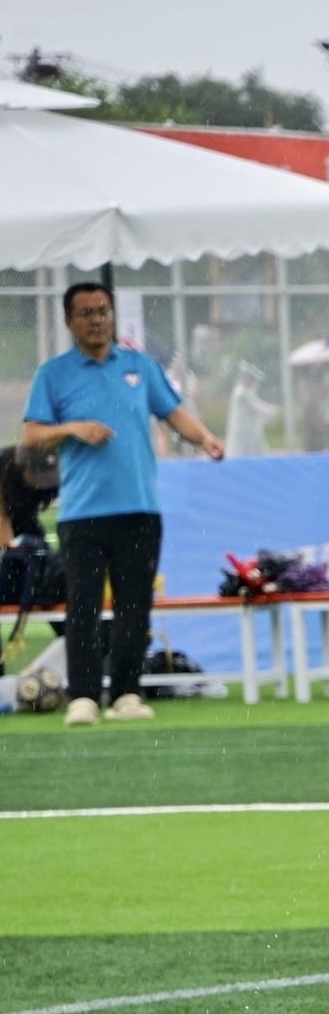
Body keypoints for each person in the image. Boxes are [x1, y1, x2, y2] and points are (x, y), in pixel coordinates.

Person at [20, 280, 223, 728]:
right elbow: (31, 437)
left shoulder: (139, 366)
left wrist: (205, 438)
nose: (97, 319)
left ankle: (128, 693)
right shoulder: (53, 375)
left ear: (113, 316)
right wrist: (73, 429)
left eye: (103, 311)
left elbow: (173, 412)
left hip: (140, 509)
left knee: (135, 607)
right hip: (83, 515)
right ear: (70, 321)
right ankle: (84, 698)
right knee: (84, 608)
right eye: (87, 312)